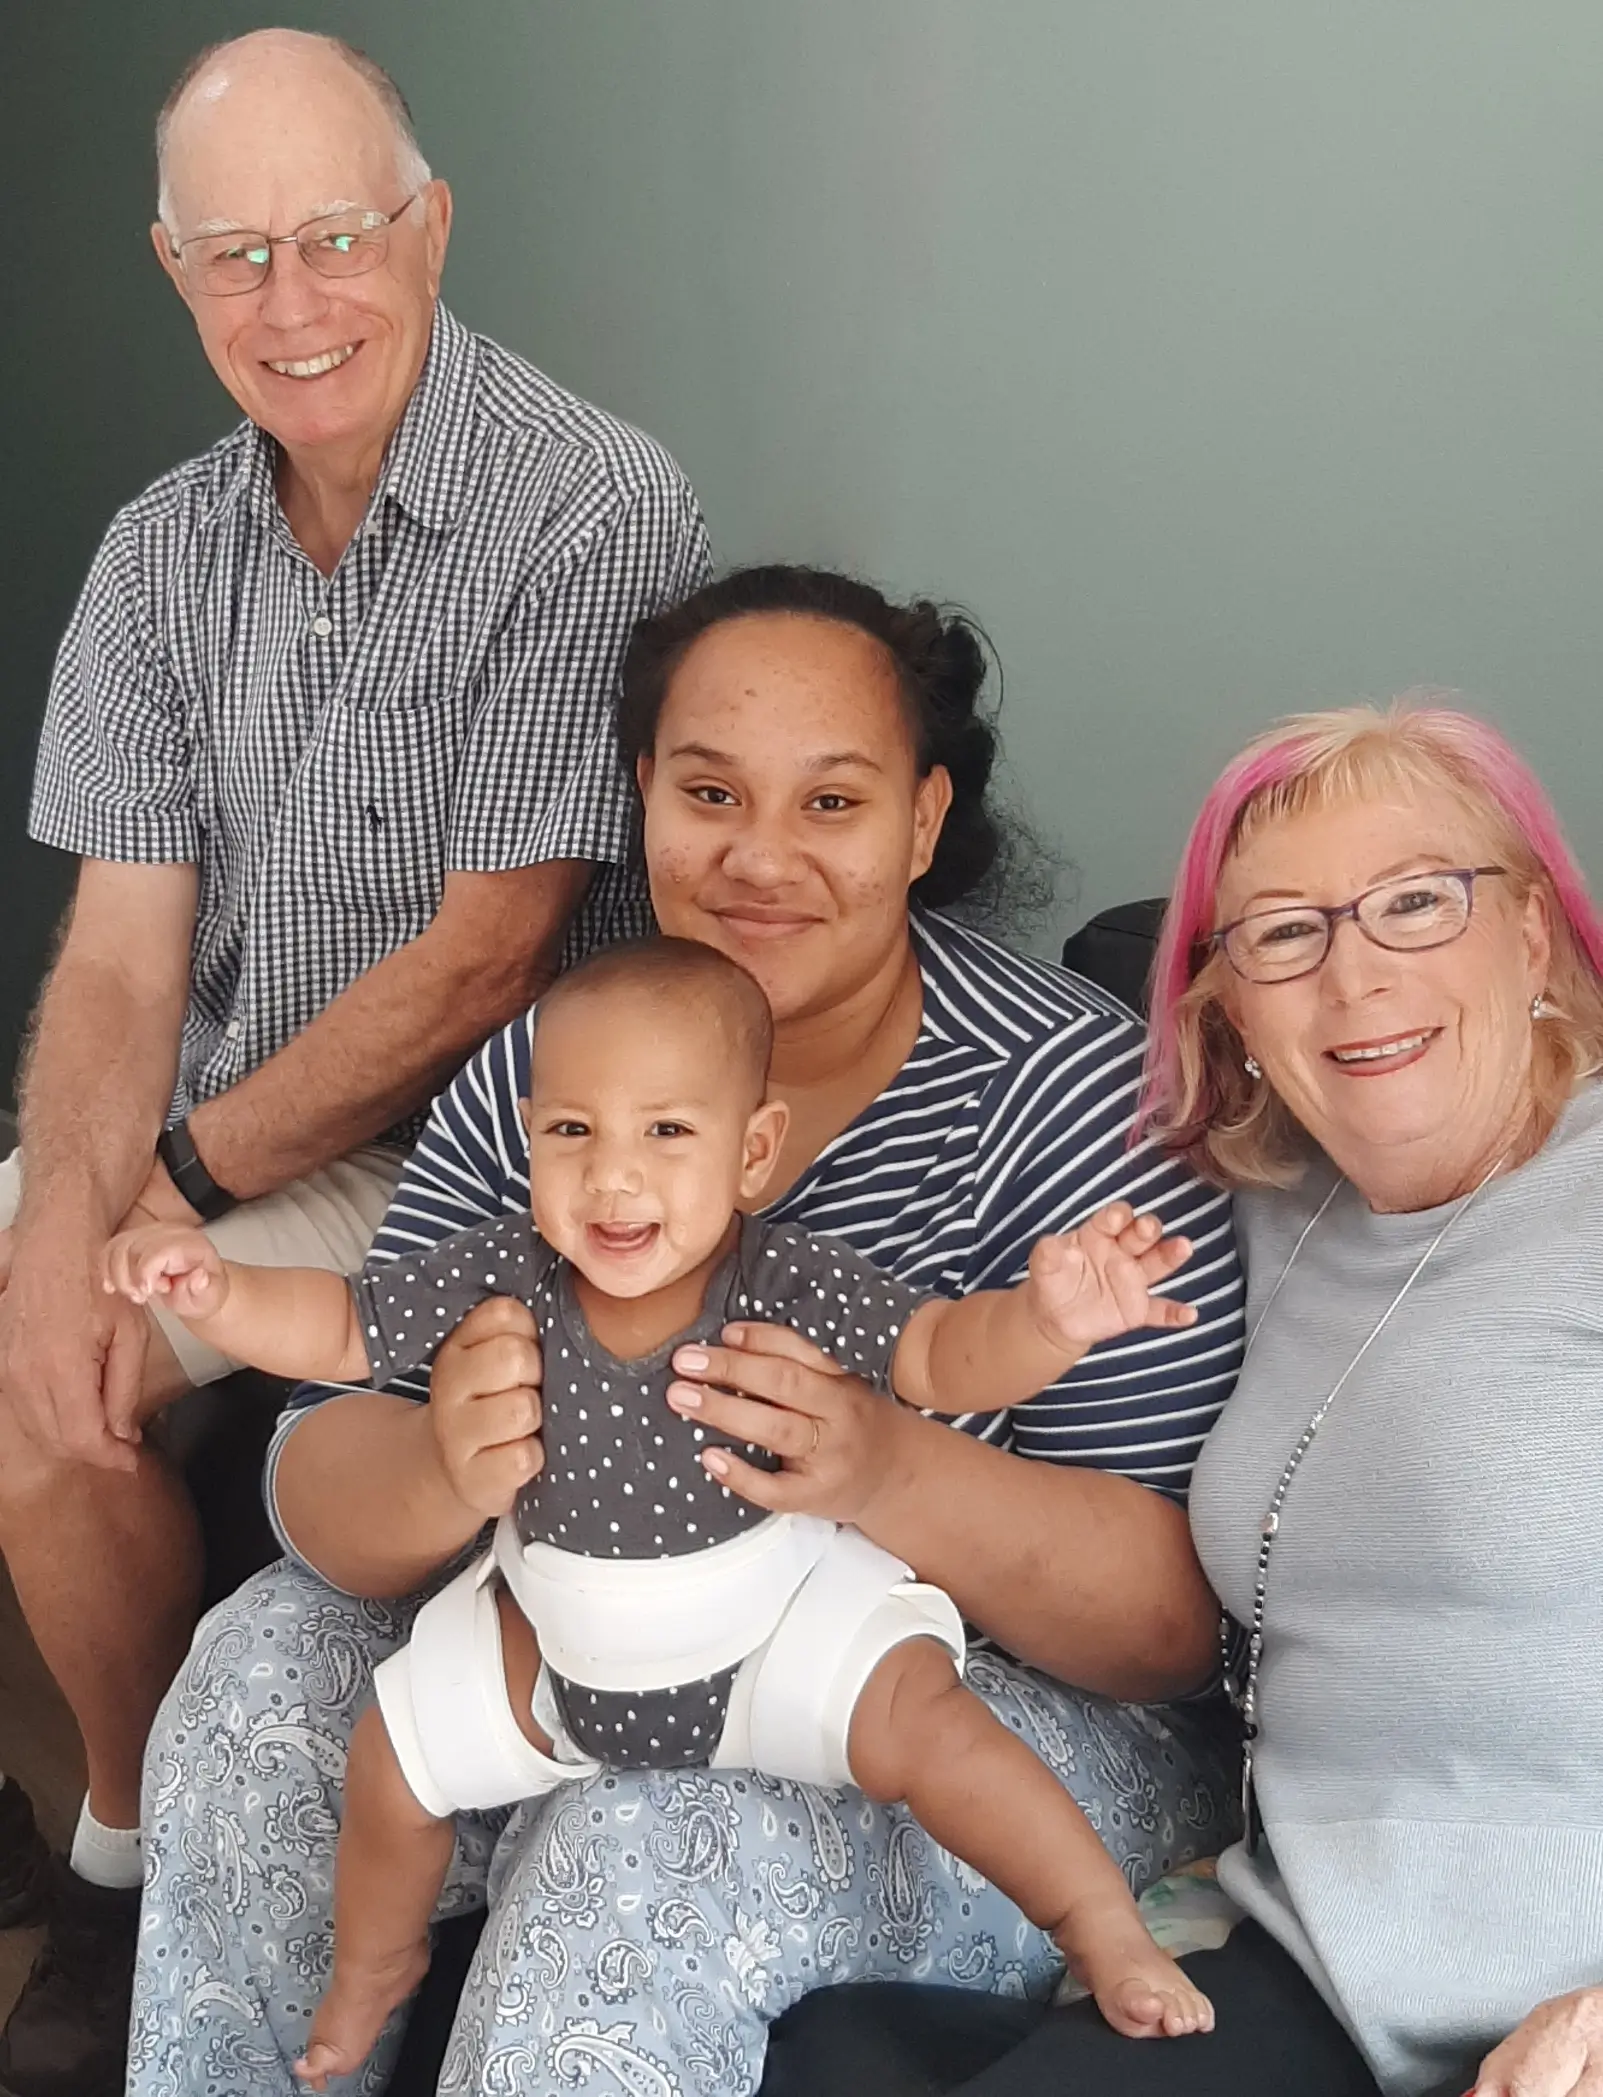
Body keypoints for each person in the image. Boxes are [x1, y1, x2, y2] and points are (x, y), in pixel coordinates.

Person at [128, 565, 1246, 2097]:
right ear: (641, 793)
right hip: (579, 1618)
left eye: (831, 804)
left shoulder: (1066, 1101)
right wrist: (443, 1465)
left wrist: (882, 1468)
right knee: (255, 1677)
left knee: (636, 1836)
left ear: (922, 824)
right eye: (707, 790)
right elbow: (323, 1463)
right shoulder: (561, 1063)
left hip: (952, 1703)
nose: (759, 857)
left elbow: (1167, 1634)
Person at [0, 27, 706, 2096]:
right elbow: (117, 962)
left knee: (62, 1370)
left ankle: (117, 1891)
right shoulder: (155, 555)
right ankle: (126, 1828)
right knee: (32, 1321)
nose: (291, 304)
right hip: (208, 1126)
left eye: (335, 237)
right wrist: (72, 1202)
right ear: (171, 268)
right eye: (236, 255)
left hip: (476, 1150)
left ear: (432, 227)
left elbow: (488, 955)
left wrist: (170, 1196)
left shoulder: (589, 502)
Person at [766, 699, 1603, 2097]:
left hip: (1565, 2003)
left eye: (1413, 903)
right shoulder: (1262, 1219)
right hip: (1319, 1964)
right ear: (1227, 1006)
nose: (1352, 978)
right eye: (1283, 933)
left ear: (1526, 935)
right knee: (824, 2057)